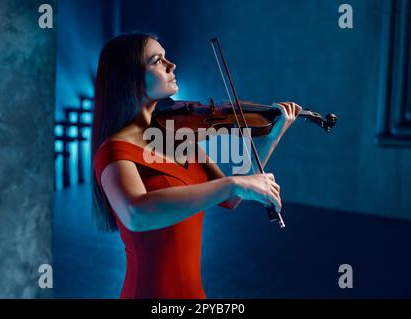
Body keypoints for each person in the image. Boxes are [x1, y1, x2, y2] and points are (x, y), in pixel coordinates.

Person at [91, 33, 302, 299]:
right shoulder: (113, 150)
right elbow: (136, 214)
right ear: (129, 77)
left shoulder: (176, 134)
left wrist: (274, 136)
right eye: (158, 61)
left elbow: (232, 199)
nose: (171, 65)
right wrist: (233, 183)